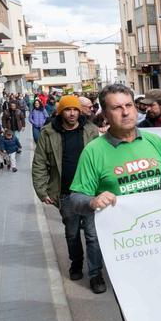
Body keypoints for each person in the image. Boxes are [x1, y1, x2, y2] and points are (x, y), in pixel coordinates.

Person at [69, 85, 161, 321]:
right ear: (105, 113)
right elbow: (74, 198)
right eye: (117, 107)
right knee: (135, 309)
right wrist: (93, 200)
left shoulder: (156, 143)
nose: (126, 111)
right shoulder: (95, 152)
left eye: (129, 105)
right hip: (125, 248)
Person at [31, 95, 104, 293]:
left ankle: (96, 274)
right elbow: (39, 163)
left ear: (80, 111)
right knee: (72, 234)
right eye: (67, 110)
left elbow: (102, 158)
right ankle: (76, 263)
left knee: (92, 235)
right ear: (60, 111)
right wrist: (41, 190)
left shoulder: (90, 130)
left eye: (75, 110)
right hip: (65, 193)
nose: (72, 113)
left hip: (90, 192)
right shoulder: (49, 132)